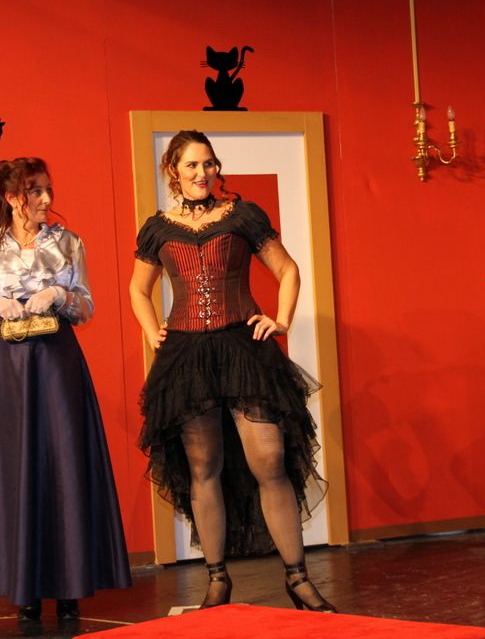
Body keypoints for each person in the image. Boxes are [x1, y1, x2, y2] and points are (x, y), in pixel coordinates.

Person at [129, 131, 336, 613]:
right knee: (203, 467)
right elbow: (138, 289)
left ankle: (298, 578)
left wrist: (281, 320)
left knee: (270, 460)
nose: (203, 173)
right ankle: (217, 579)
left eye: (209, 163)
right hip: (187, 357)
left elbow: (288, 270)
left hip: (243, 349)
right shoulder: (157, 229)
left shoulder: (242, 216)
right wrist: (152, 331)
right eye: (192, 165)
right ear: (173, 171)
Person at [0, 157, 131, 621]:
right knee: (15, 467)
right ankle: (26, 588)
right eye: (35, 191)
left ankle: (70, 583)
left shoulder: (68, 243)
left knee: (62, 462)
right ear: (12, 197)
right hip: (7, 369)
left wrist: (60, 295)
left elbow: (86, 307)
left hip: (56, 362)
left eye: (47, 189)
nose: (46, 199)